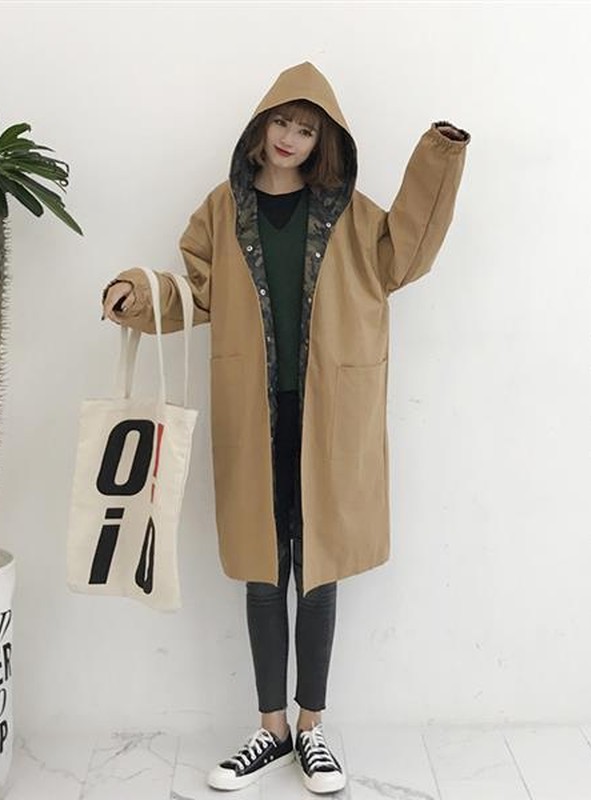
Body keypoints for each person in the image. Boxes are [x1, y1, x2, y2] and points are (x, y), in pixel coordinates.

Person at [101, 61, 469, 794]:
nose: (290, 138)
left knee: (319, 565)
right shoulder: (221, 211)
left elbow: (407, 253)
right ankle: (270, 729)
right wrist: (135, 296)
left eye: (305, 129)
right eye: (281, 122)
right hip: (253, 409)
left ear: (323, 141)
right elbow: (193, 293)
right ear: (260, 126)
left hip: (331, 412)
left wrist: (439, 155)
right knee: (263, 569)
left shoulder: (349, 211)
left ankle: (312, 728)